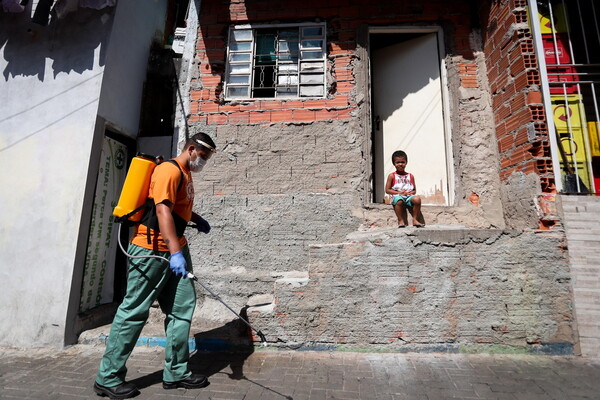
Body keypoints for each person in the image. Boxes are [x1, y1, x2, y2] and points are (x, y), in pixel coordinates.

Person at [94, 132, 217, 399]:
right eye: (204, 156)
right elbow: (161, 211)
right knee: (134, 311)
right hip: (151, 251)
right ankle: (108, 377)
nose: (204, 162)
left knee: (182, 308)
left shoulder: (186, 173)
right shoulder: (168, 171)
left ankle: (176, 372)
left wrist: (196, 218)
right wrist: (175, 253)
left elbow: (176, 206)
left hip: (175, 247)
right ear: (192, 148)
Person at [385, 150, 424, 228]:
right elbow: (387, 190)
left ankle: (415, 219)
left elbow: (414, 190)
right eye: (398, 162)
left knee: (417, 199)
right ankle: (400, 220)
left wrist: (409, 193)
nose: (400, 164)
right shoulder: (392, 176)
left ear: (406, 162)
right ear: (394, 164)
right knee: (399, 201)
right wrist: (399, 193)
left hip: (408, 196)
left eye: (403, 162)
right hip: (397, 196)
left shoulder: (410, 176)